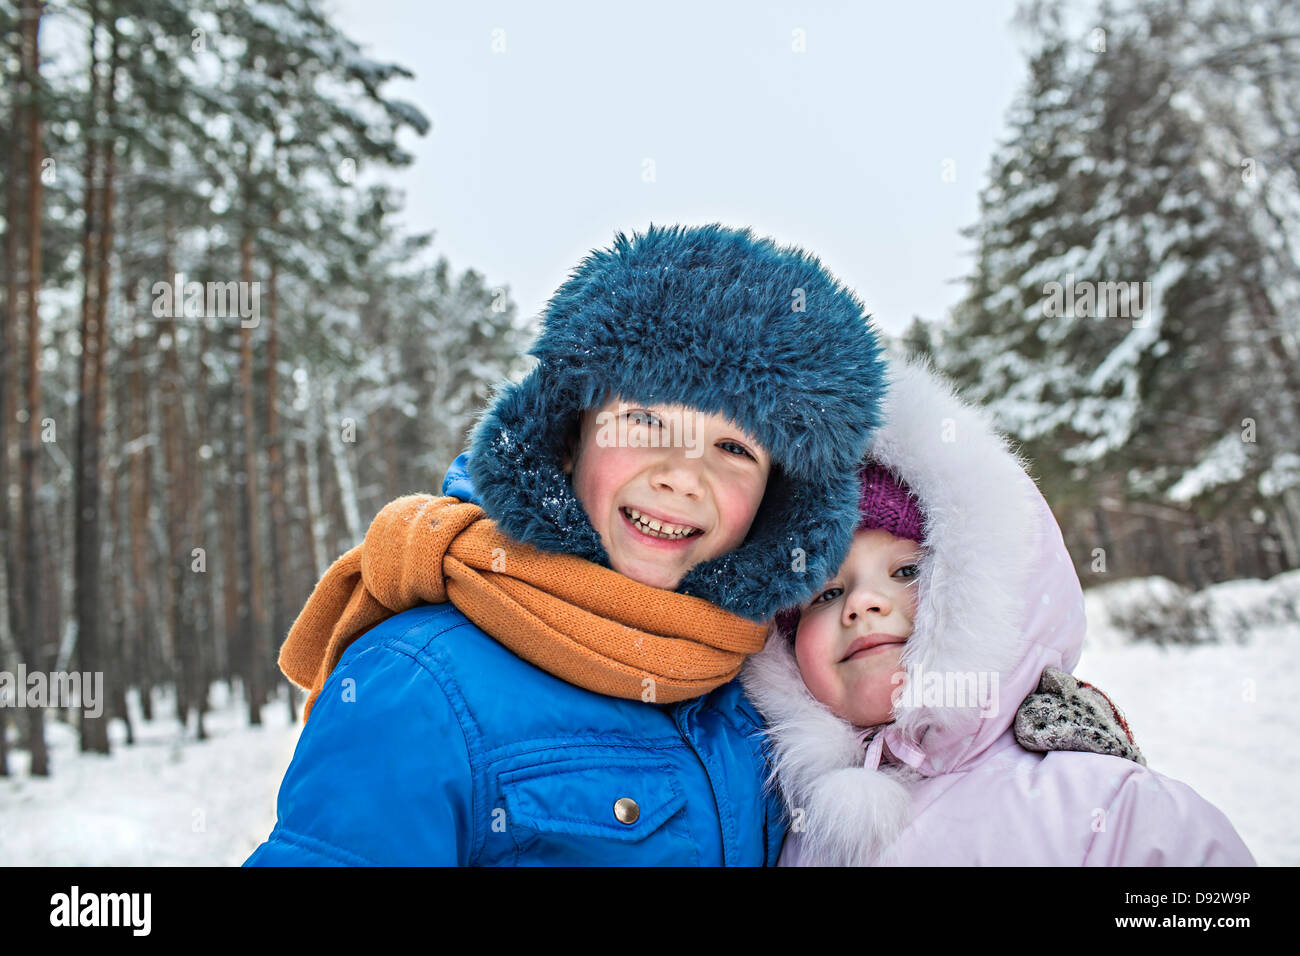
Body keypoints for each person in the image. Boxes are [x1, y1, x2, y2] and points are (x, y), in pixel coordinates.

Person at [243, 222, 888, 865]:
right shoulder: (420, 686)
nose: (683, 477)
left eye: (733, 448)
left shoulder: (764, 699)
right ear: (570, 435)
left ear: (776, 499)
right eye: (644, 420)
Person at [741, 359, 1257, 866]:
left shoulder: (1111, 810)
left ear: (979, 591)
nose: (861, 603)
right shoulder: (794, 829)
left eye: (906, 572)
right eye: (825, 595)